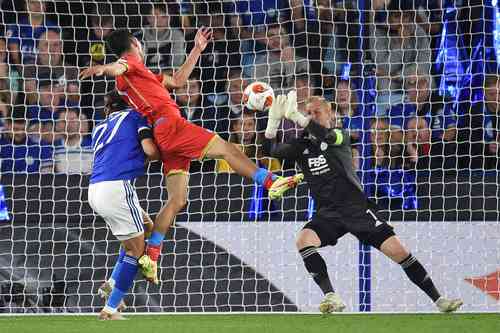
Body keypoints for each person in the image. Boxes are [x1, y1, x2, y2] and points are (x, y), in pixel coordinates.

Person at [79, 27, 303, 284]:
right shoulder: (129, 65)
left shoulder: (144, 75)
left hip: (164, 137)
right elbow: (119, 67)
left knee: (177, 201)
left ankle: (151, 255)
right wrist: (101, 69)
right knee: (228, 149)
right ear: (134, 44)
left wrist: (197, 48)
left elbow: (178, 81)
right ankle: (271, 182)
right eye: (139, 42)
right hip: (172, 126)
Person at [263, 93, 463, 314]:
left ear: (330, 114)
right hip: (328, 213)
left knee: (399, 252)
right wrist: (272, 124)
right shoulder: (301, 145)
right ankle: (331, 297)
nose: (310, 116)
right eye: (307, 112)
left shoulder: (340, 135)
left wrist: (298, 117)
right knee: (303, 241)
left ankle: (440, 300)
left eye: (315, 112)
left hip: (357, 209)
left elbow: (327, 137)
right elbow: (271, 151)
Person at [87, 90, 159, 320]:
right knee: (137, 251)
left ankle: (111, 283)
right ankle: (111, 308)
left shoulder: (99, 127)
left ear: (107, 109)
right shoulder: (135, 117)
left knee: (147, 227)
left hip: (96, 189)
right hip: (117, 188)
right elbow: (149, 150)